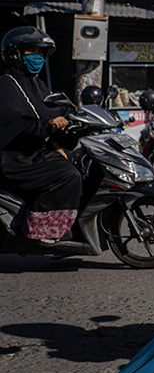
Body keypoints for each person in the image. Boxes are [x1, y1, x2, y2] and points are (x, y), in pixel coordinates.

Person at [0, 27, 81, 244]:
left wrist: (74, 119)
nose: (38, 57)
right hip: (16, 157)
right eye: (32, 51)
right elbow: (11, 121)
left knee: (83, 164)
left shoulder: (38, 84)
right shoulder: (6, 84)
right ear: (15, 53)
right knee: (68, 174)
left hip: (37, 151)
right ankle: (41, 228)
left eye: (41, 52)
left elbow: (53, 108)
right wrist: (46, 126)